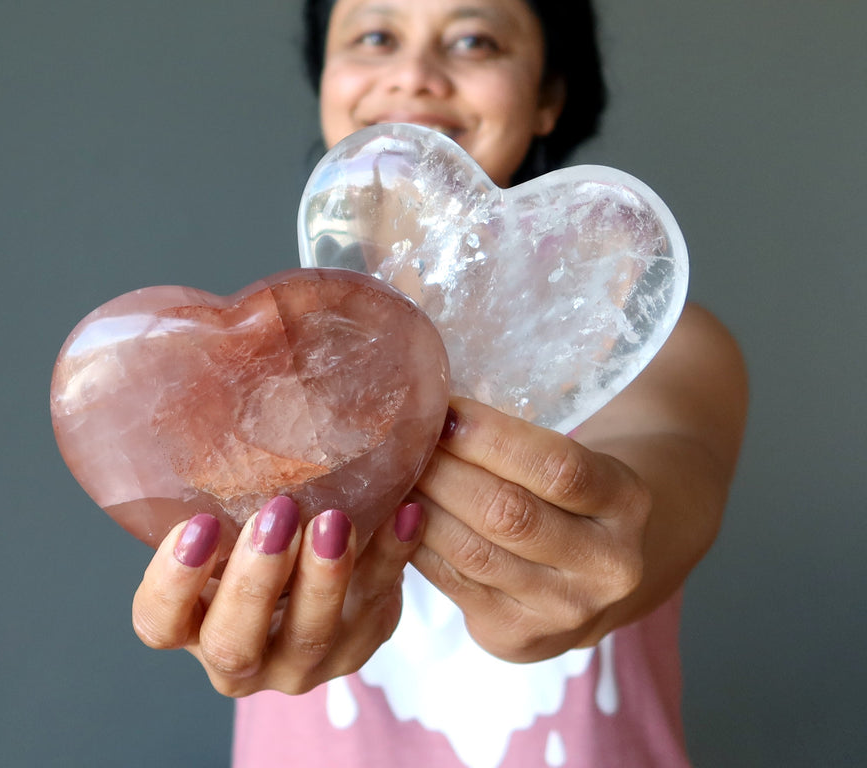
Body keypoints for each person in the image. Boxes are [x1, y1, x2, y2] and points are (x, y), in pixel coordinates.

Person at [131, 0, 748, 765]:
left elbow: (663, 494)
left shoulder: (660, 342)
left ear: (549, 93)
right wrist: (241, 607)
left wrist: (602, 551)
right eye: (376, 36)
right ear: (327, 76)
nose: (415, 75)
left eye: (473, 40)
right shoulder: (251, 361)